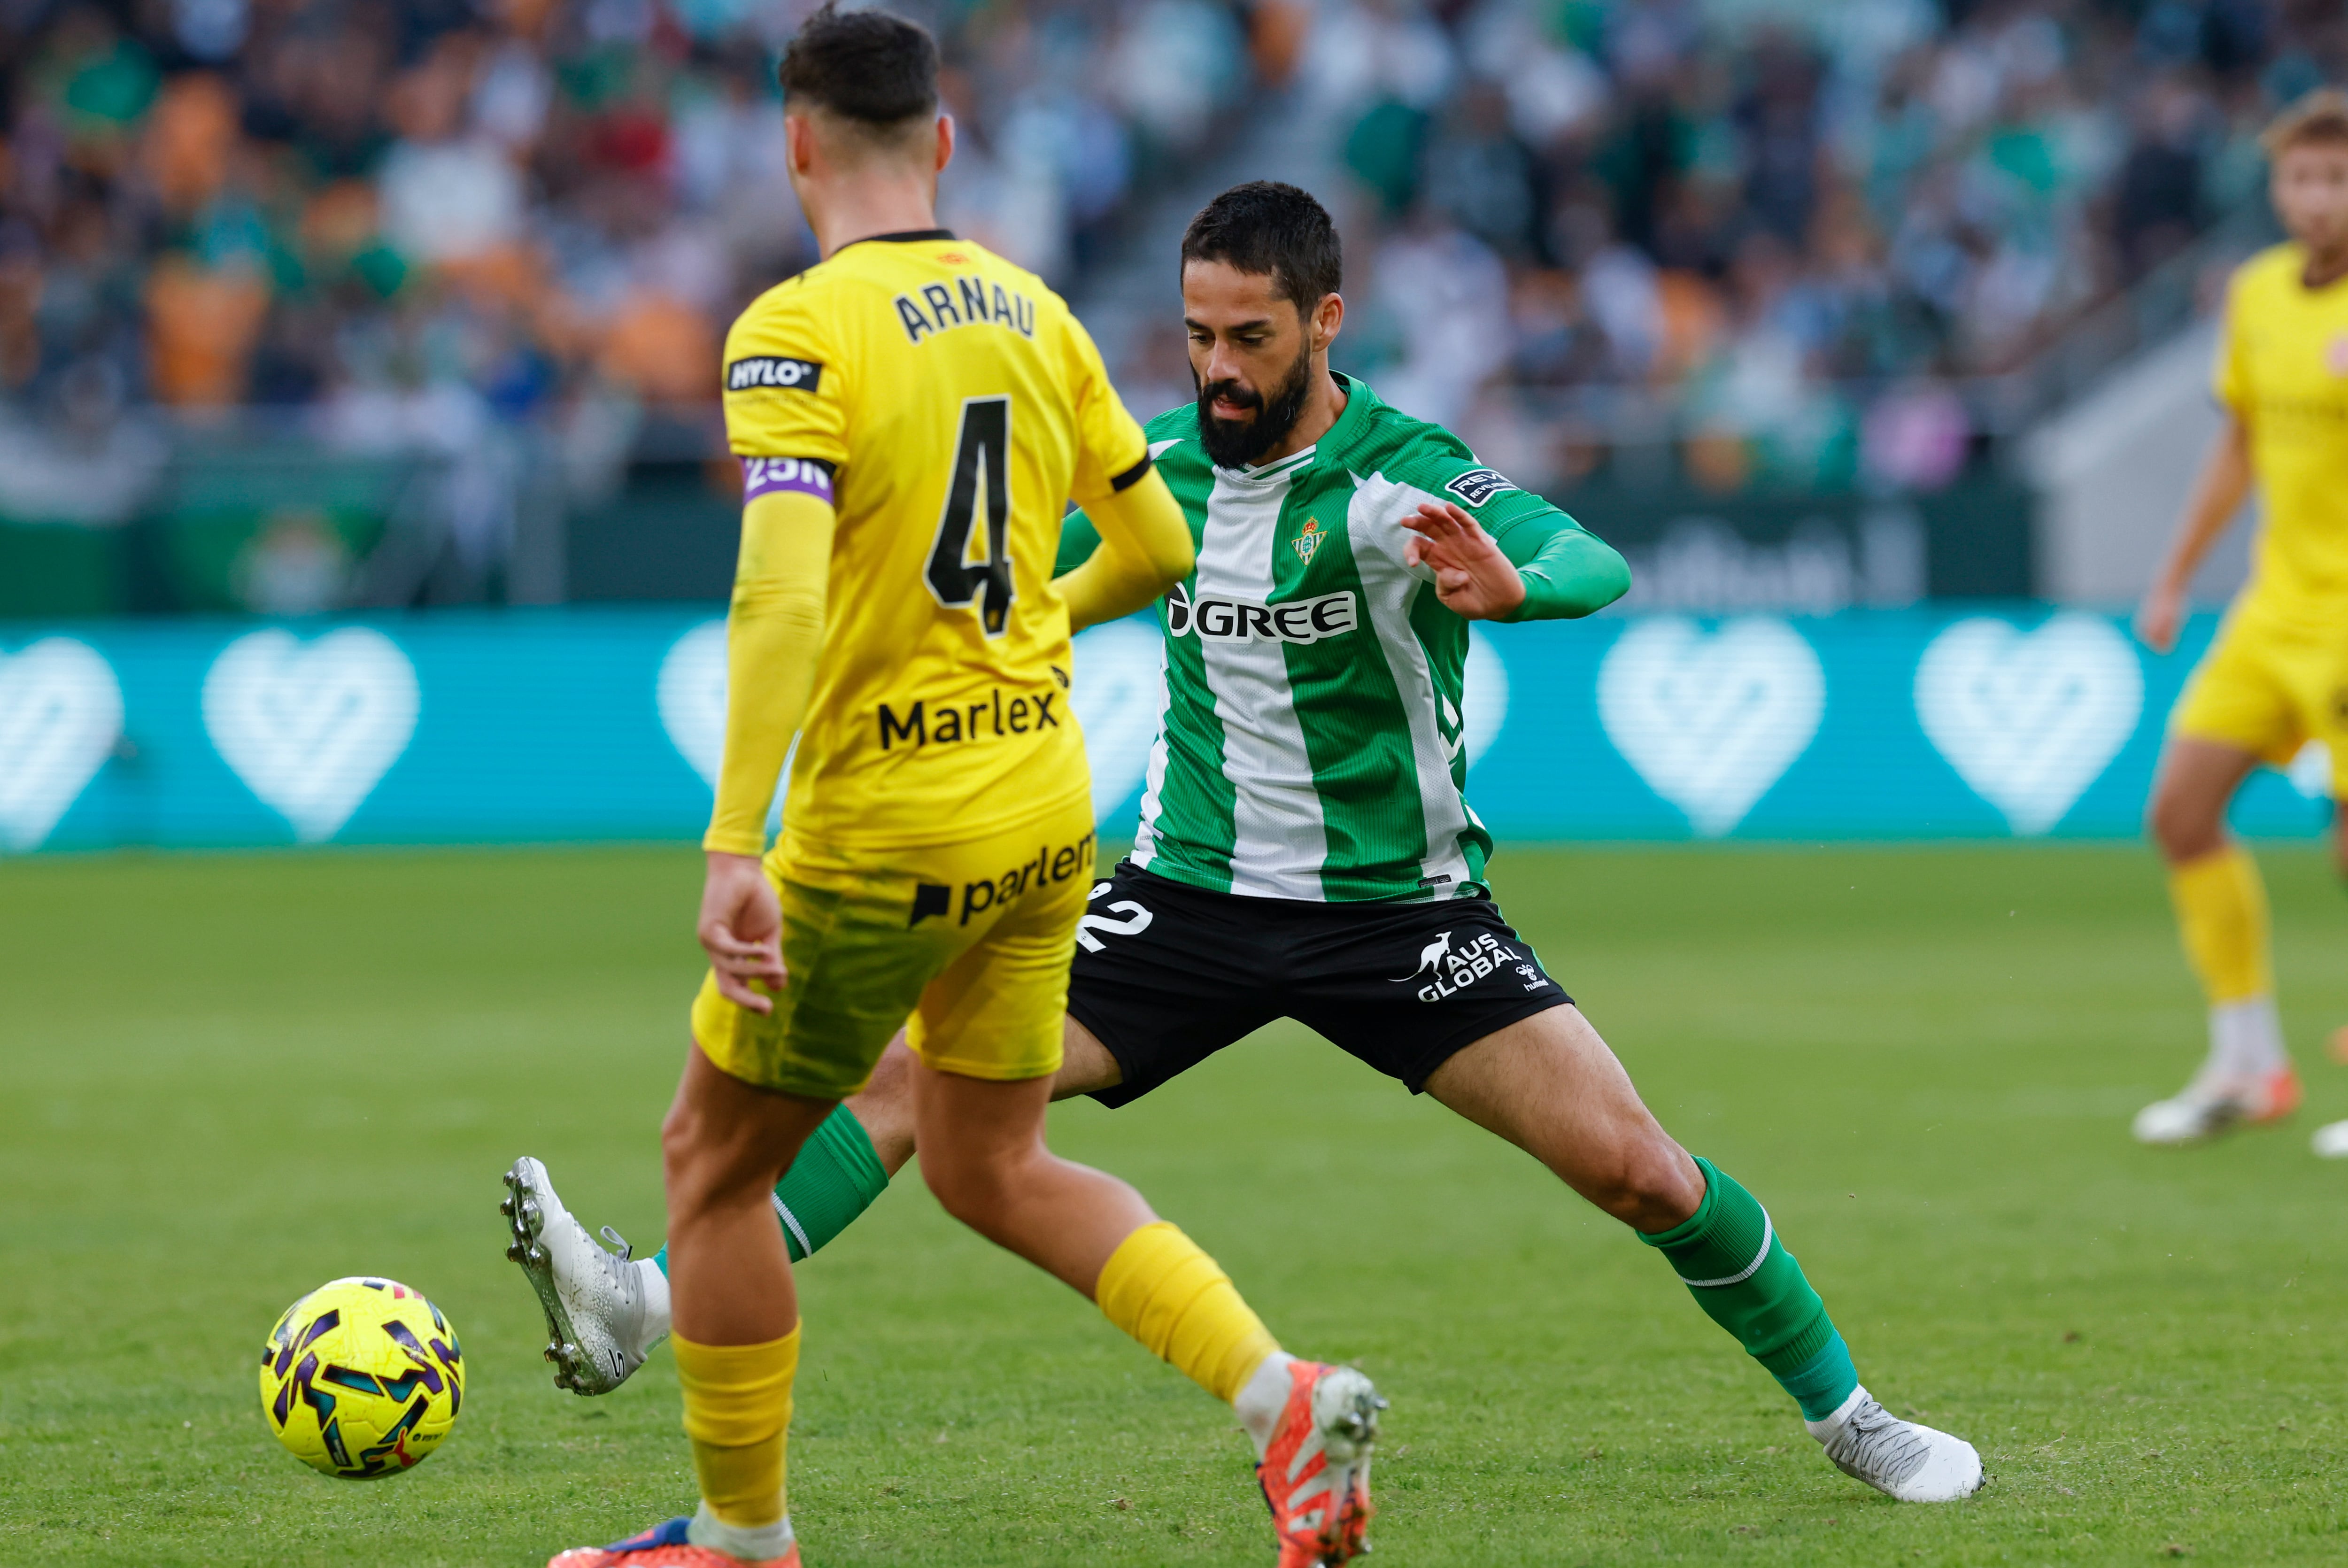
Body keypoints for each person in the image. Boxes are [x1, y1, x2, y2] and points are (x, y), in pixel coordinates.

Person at [512, 180, 1981, 1510]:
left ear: (1325, 322)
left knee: (1643, 1172)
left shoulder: (1407, 475)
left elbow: (1593, 556)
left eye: (1251, 336)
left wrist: (1515, 587)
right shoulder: (1157, 469)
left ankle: (1851, 1414)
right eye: (1200, 332)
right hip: (1184, 899)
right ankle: (644, 1301)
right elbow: (1053, 596)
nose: (1218, 366)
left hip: (1400, 916)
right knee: (909, 1079)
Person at [513, 20, 1383, 1568]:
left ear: (794, 146)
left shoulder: (795, 331)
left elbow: (777, 600)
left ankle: (738, 1541)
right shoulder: (1035, 316)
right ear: (946, 141)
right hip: (1045, 812)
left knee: (711, 1178)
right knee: (992, 1165)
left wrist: (734, 844)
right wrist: (1032, 621)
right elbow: (1166, 548)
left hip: (884, 832)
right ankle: (1280, 1393)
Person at [2132, 89, 2348, 1151]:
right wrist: (2173, 575)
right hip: (2275, 610)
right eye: (2300, 180)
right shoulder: (2259, 293)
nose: (2315, 201)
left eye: (2335, 181)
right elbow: (2237, 446)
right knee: (2180, 810)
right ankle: (2249, 1058)